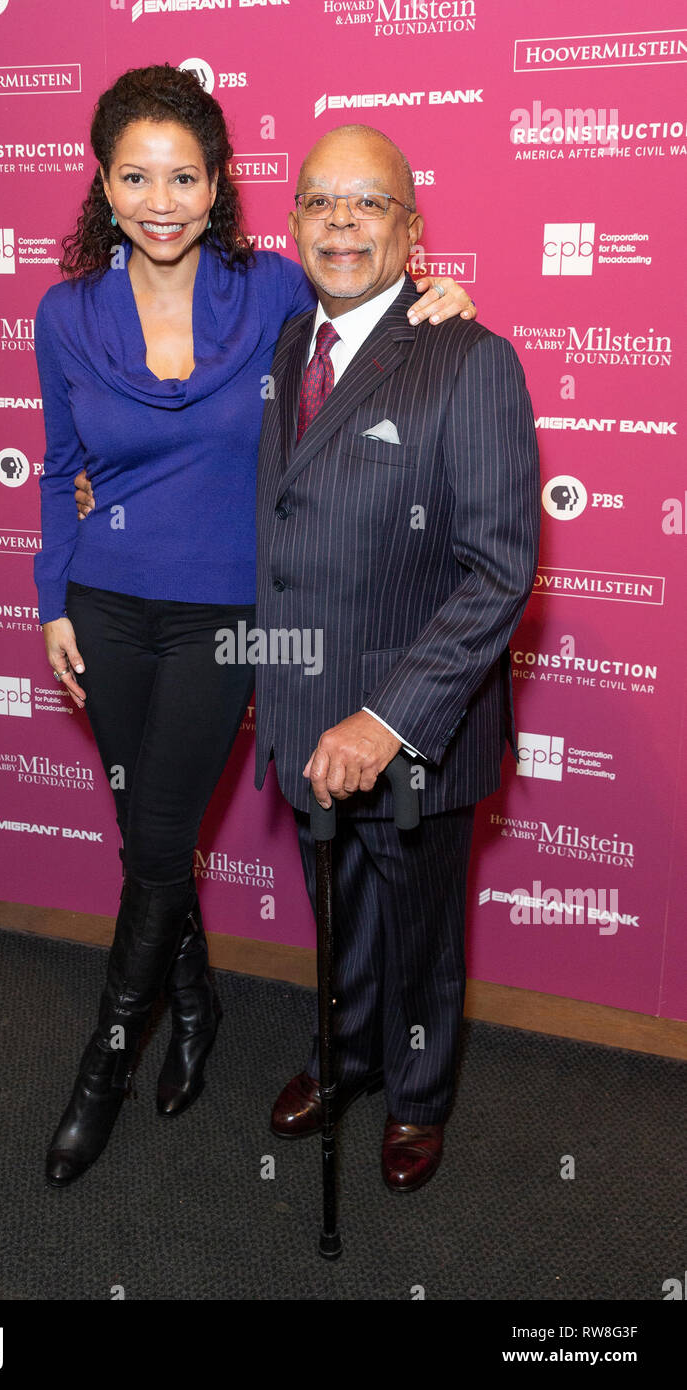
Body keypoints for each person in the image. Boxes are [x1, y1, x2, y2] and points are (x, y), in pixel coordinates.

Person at [36, 64, 475, 1188]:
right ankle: (195, 1001)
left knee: (149, 842)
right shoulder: (66, 311)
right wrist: (50, 598)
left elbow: (372, 315)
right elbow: (59, 469)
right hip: (107, 608)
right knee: (154, 836)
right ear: (103, 180)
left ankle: (103, 1066)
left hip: (231, 617)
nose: (161, 197)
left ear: (222, 180)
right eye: (135, 175)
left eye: (184, 174)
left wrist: (442, 299)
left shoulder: (272, 288)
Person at [254, 124, 541, 1192]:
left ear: (411, 229)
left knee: (417, 925)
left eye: (368, 203)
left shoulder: (470, 359)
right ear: (291, 223)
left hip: (412, 728)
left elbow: (496, 571)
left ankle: (416, 1097)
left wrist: (384, 719)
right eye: (319, 200)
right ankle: (347, 1057)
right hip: (299, 712)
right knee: (340, 914)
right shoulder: (290, 348)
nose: (340, 221)